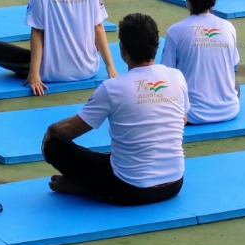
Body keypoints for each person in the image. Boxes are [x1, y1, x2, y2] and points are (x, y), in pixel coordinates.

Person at [41, 13, 187, 206]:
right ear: (156, 45)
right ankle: (88, 185)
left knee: (54, 145)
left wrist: (51, 131)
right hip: (174, 184)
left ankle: (87, 186)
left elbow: (69, 131)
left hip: (131, 189)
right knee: (116, 158)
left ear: (122, 49)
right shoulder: (177, 77)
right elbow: (182, 119)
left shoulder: (113, 88)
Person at [158, 0, 239, 124]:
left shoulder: (175, 31)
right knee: (234, 81)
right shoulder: (229, 27)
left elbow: (166, 76)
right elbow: (233, 66)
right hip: (229, 110)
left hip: (191, 114)